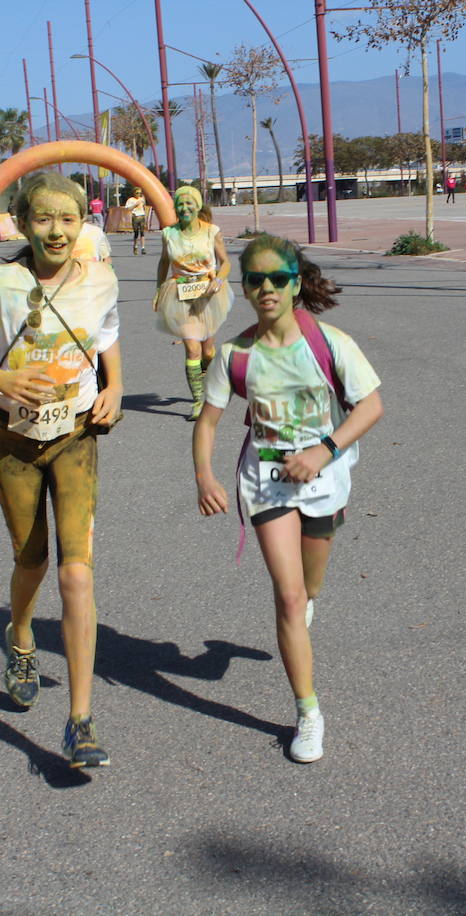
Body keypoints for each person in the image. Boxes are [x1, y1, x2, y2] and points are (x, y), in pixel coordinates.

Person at [0, 171, 122, 769]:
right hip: (14, 442)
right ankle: (22, 637)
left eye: (68, 219)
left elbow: (107, 330)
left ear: (82, 222)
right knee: (31, 559)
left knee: (77, 574)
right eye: (43, 219)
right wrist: (3, 379)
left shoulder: (101, 278)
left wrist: (116, 386)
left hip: (77, 436)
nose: (56, 231)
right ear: (22, 222)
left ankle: (80, 722)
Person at [192, 234, 384, 764]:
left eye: (279, 278)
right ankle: (308, 712)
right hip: (268, 482)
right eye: (257, 279)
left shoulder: (329, 342)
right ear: (245, 286)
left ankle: (306, 602)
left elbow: (370, 407)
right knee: (289, 598)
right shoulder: (235, 355)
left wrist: (323, 451)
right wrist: (204, 475)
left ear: (297, 283)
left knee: (311, 585)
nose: (268, 288)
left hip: (324, 479)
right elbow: (207, 421)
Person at [154, 185, 232, 420]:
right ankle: (198, 401)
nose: (184, 208)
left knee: (208, 350)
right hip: (180, 294)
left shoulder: (211, 231)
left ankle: (211, 384)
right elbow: (163, 263)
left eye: (189, 203)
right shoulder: (169, 234)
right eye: (180, 203)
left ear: (198, 206)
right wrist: (158, 290)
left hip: (209, 294)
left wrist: (219, 279)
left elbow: (225, 262)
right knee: (192, 347)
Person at [124, 186, 149, 255]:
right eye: (137, 193)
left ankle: (143, 248)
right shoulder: (130, 200)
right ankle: (135, 246)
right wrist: (135, 205)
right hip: (135, 217)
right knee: (136, 233)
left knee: (142, 232)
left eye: (140, 193)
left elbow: (143, 207)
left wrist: (145, 215)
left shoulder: (142, 199)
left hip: (142, 216)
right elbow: (128, 209)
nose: (138, 194)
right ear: (134, 193)